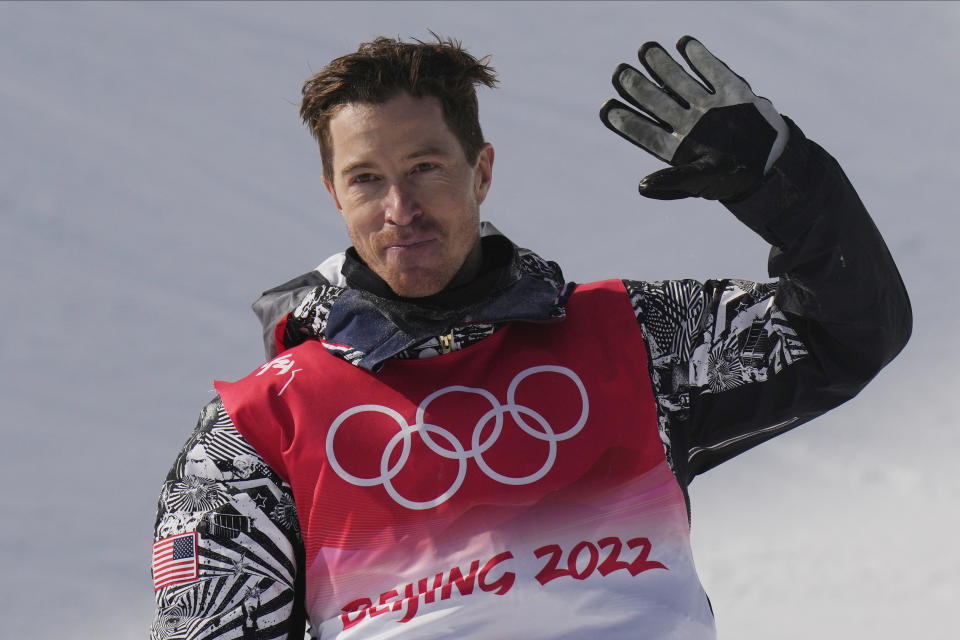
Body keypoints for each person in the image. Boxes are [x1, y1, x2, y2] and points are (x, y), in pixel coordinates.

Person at [150, 35, 911, 639]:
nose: (400, 208)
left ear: (481, 171)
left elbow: (847, 329)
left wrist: (779, 181)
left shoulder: (632, 340)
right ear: (333, 193)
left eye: (425, 167)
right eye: (367, 179)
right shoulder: (256, 432)